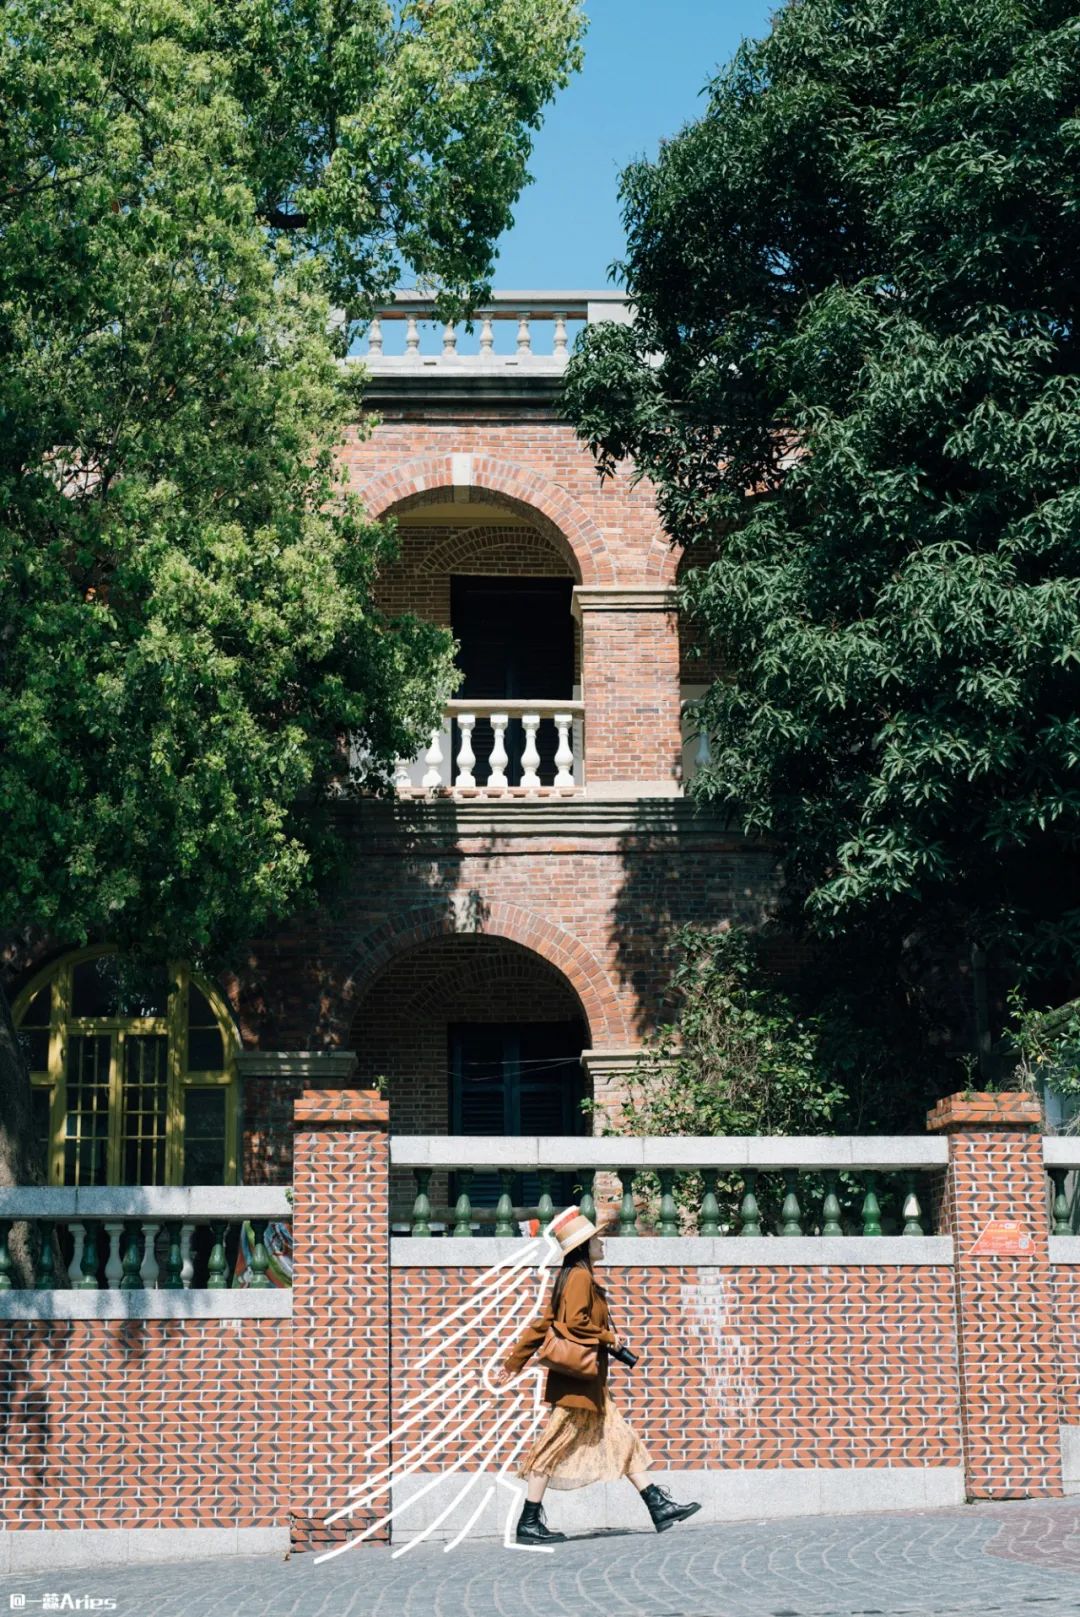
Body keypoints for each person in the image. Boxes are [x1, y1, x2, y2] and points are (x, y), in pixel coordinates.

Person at [492, 1204, 701, 1545]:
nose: (602, 1244)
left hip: (586, 1382)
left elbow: (544, 1324)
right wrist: (609, 1337)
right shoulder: (579, 1277)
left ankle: (658, 1505)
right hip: (578, 1381)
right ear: (583, 1246)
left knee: (621, 1438)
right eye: (596, 1239)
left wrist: (512, 1363)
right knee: (550, 1447)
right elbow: (574, 1322)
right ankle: (528, 1522)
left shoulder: (570, 1277)